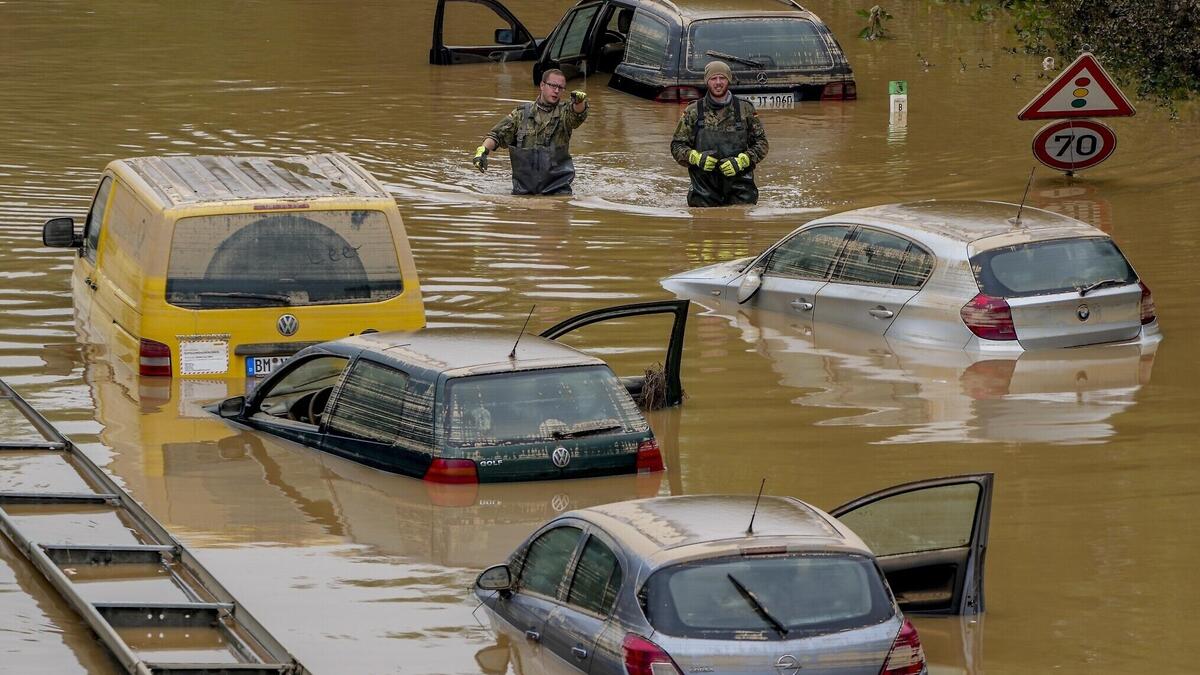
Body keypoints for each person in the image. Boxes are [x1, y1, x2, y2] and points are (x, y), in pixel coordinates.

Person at [472, 69, 589, 195]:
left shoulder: (565, 114)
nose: (556, 91)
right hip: (523, 192)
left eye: (561, 88)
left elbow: (577, 115)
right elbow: (496, 135)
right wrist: (483, 151)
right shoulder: (521, 114)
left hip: (558, 192)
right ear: (542, 85)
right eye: (553, 86)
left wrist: (579, 102)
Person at [670, 60, 769, 207]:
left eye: (722, 78)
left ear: (728, 79)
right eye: (713, 78)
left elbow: (762, 143)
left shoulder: (745, 109)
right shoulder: (693, 111)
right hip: (703, 193)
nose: (718, 82)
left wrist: (743, 160)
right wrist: (695, 157)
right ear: (707, 81)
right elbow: (677, 146)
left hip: (741, 191)